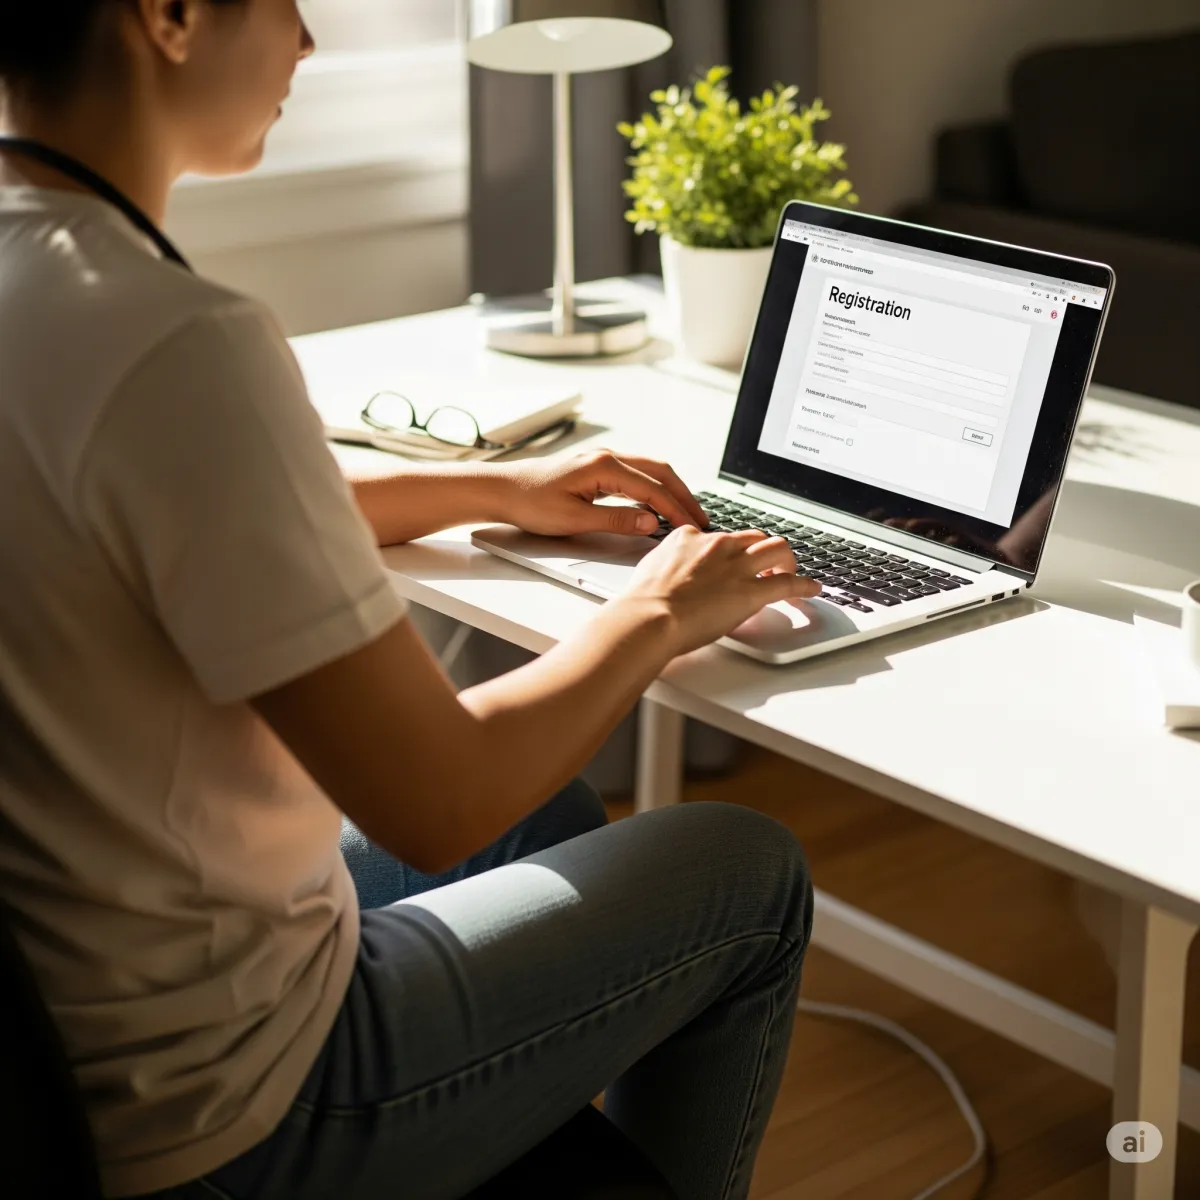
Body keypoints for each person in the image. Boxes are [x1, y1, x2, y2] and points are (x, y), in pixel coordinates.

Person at [0, 3, 816, 1198]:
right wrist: (658, 610)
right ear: (169, 16)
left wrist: (489, 487)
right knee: (748, 871)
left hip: (76, 989)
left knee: (548, 815)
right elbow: (438, 800)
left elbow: (177, 495)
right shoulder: (176, 340)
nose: (306, 43)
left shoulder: (40, 278)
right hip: (228, 1098)